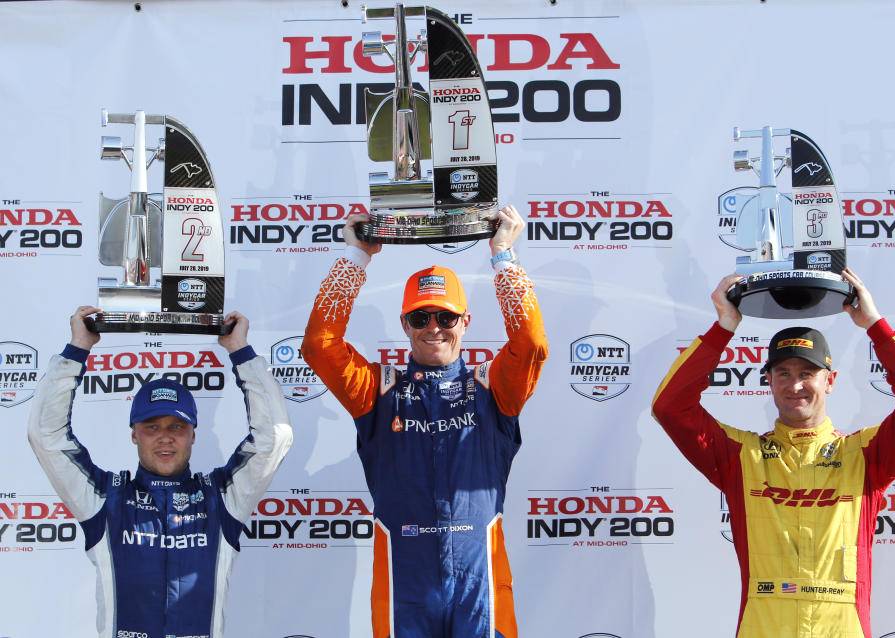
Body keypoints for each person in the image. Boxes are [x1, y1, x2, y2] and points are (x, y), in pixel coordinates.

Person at [651, 269, 895, 638]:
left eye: (808, 372)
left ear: (830, 381)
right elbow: (670, 407)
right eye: (783, 373)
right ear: (769, 381)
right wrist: (724, 326)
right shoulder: (742, 457)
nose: (796, 385)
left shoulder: (866, 456)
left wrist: (874, 325)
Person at [302, 205, 548, 638]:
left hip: (481, 583)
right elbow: (320, 347)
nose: (434, 328)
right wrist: (356, 257)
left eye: (446, 317)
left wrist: (504, 255)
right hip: (404, 584)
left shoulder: (493, 387)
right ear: (405, 325)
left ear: (465, 322)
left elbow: (530, 343)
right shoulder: (377, 389)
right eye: (420, 317)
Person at [28, 307, 293, 638]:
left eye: (177, 426)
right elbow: (47, 436)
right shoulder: (104, 499)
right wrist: (78, 348)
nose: (165, 436)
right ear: (134, 434)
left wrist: (240, 352)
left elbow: (274, 438)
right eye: (152, 426)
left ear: (193, 434)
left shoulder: (222, 499)